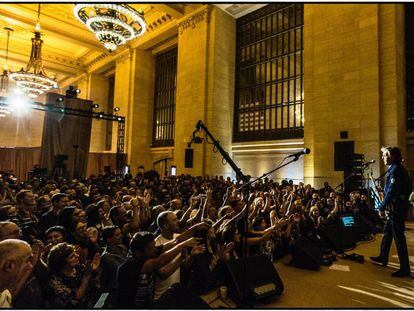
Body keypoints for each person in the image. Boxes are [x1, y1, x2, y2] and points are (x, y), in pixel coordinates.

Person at [370, 146, 411, 277]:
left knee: (399, 238)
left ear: (392, 156)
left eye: (385, 155)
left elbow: (393, 192)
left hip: (396, 209)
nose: (382, 157)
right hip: (396, 207)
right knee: (387, 233)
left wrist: (381, 207)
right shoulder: (395, 169)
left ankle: (405, 268)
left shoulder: (396, 171)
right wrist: (383, 191)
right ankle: (383, 257)